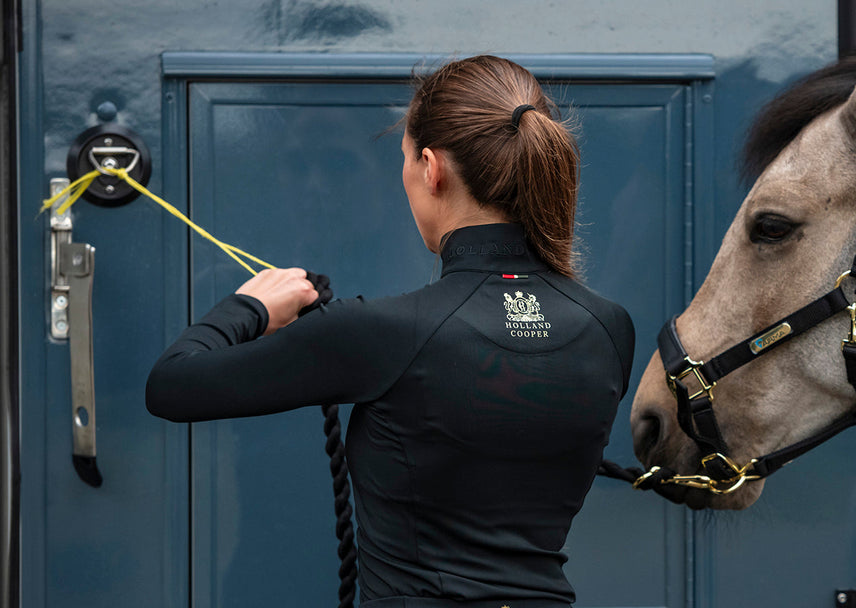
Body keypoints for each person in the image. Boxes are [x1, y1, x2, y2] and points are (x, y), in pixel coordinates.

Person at [145, 55, 635, 608]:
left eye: (403, 159)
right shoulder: (609, 328)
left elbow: (171, 385)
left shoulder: (381, 333)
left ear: (430, 167)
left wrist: (250, 306)